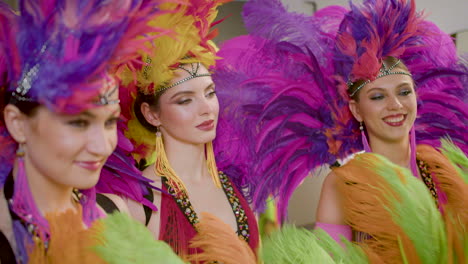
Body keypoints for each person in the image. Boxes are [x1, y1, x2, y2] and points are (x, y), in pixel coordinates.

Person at [211, 0, 467, 262]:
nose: (396, 105)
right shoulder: (343, 184)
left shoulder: (445, 167)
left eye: (404, 92)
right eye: (378, 97)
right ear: (356, 110)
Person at [0, 0, 181, 262]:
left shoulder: (114, 214)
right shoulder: (5, 234)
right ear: (18, 124)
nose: (102, 146)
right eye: (78, 123)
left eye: (109, 122)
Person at [99, 0, 260, 261]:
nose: (206, 108)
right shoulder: (138, 203)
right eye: (185, 100)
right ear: (152, 115)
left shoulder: (237, 188)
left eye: (210, 93)